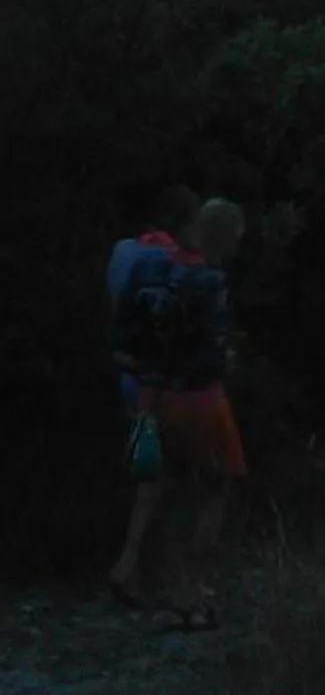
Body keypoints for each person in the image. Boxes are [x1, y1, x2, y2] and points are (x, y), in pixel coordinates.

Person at [109, 197, 248, 626]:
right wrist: (228, 358)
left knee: (170, 489)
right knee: (215, 490)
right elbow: (211, 353)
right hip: (202, 400)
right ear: (225, 237)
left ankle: (172, 590)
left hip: (160, 398)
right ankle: (196, 594)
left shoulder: (160, 270)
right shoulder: (210, 280)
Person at [105, 184, 203, 609]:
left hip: (128, 375)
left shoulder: (123, 252)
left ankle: (140, 569)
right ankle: (141, 569)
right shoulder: (182, 263)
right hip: (167, 383)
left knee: (151, 472)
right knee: (172, 476)